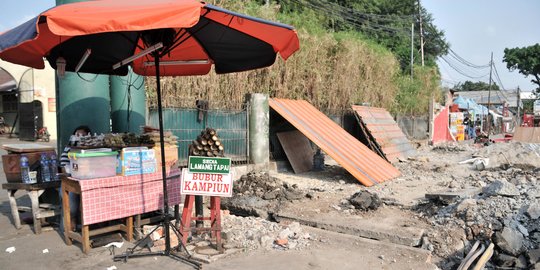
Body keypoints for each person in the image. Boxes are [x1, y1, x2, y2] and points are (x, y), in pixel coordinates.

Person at [59, 125, 91, 232]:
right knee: (71, 199)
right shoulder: (68, 148)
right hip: (70, 181)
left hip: (86, 180)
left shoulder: (90, 149)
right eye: (77, 134)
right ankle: (71, 222)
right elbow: (63, 167)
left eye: (83, 135)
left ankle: (89, 225)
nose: (79, 137)